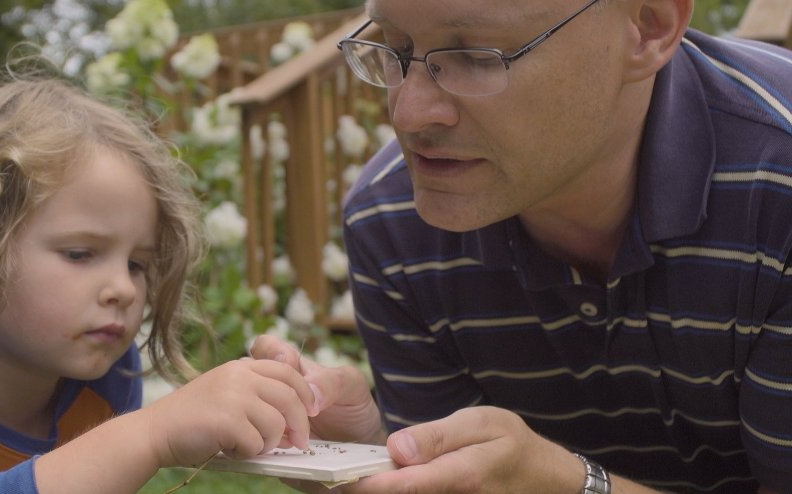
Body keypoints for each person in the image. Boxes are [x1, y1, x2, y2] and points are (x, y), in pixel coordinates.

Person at [253, 0, 792, 492]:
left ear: (648, 28)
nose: (409, 114)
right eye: (394, 49)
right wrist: (376, 455)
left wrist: (571, 486)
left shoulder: (778, 189)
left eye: (474, 56)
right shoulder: (393, 222)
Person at [0, 78, 319, 493]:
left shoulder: (106, 380)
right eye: (80, 254)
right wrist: (149, 433)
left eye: (138, 264)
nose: (122, 287)